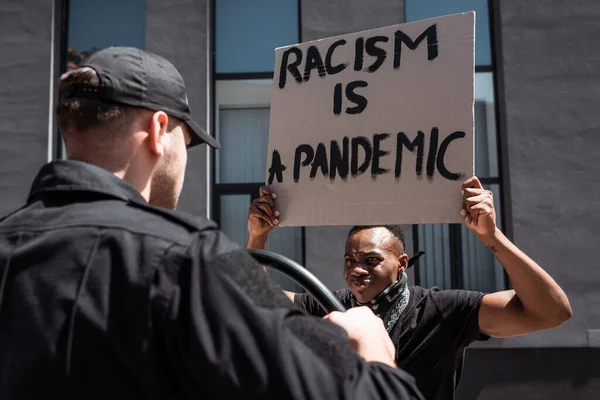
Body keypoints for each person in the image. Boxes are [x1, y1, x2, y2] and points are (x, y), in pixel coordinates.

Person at [0, 47, 426, 400]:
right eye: (187, 143)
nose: (184, 159)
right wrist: (371, 348)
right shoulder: (189, 257)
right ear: (158, 129)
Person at [247, 180, 572, 400]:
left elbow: (550, 311)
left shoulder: (444, 310)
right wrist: (258, 237)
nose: (356, 269)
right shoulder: (324, 306)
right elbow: (249, 305)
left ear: (402, 263)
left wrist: (491, 236)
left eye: (371, 260)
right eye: (349, 259)